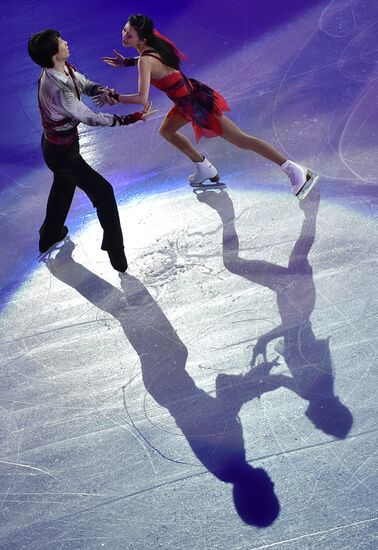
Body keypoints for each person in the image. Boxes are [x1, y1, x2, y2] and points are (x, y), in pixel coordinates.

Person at [98, 14, 318, 196]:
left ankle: (293, 169)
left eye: (130, 34)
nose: (124, 35)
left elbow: (141, 98)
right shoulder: (150, 50)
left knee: (242, 140)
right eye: (125, 30)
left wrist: (115, 96)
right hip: (185, 100)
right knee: (167, 131)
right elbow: (151, 63)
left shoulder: (145, 60)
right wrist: (127, 62)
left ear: (142, 40)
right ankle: (203, 166)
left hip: (196, 104)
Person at [28, 29, 155, 272]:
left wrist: (101, 91)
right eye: (61, 42)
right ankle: (116, 252)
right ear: (54, 54)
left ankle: (49, 235)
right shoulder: (56, 89)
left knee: (63, 189)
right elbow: (90, 118)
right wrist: (130, 118)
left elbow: (84, 84)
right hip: (62, 154)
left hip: (62, 146)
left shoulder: (63, 68)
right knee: (103, 193)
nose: (66, 42)